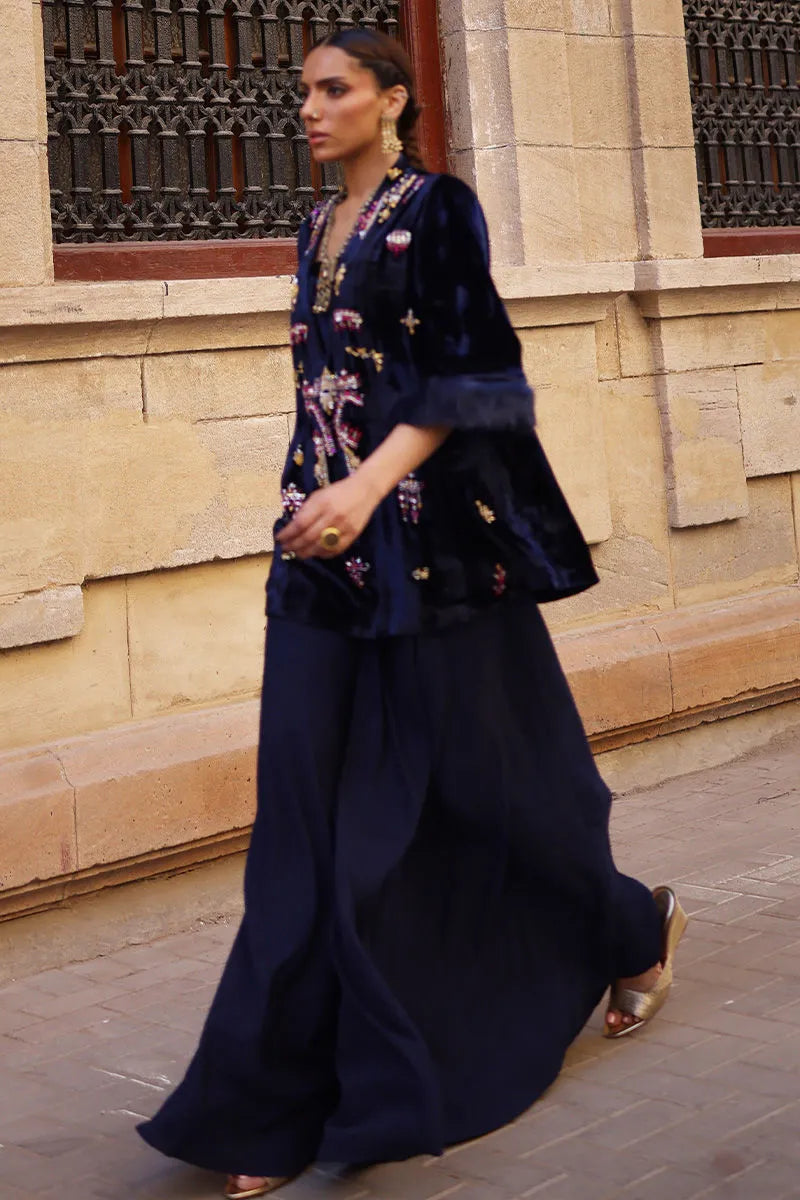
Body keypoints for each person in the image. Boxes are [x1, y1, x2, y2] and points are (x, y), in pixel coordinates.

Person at [138, 28, 687, 1199]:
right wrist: (316, 501)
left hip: (433, 565)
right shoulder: (312, 230)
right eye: (303, 91)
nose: (309, 107)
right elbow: (323, 396)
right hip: (318, 563)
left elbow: (471, 378)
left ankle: (630, 930)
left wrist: (364, 488)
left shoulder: (436, 211)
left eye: (333, 88)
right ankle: (267, 1106)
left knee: (498, 793)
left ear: (391, 100)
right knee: (298, 822)